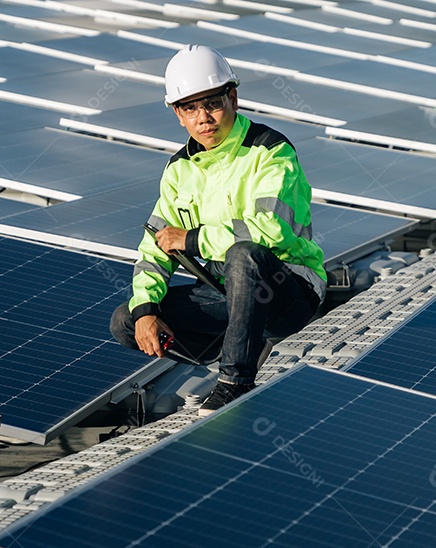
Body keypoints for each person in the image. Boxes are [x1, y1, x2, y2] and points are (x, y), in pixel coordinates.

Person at [110, 45, 326, 416]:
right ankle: (239, 344)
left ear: (233, 98)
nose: (203, 117)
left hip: (287, 290)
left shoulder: (270, 151)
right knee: (127, 320)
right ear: (178, 115)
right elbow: (156, 244)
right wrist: (146, 307)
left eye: (211, 103)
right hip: (228, 293)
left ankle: (235, 381)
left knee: (245, 255)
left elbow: (271, 230)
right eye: (189, 108)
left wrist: (193, 239)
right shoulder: (180, 170)